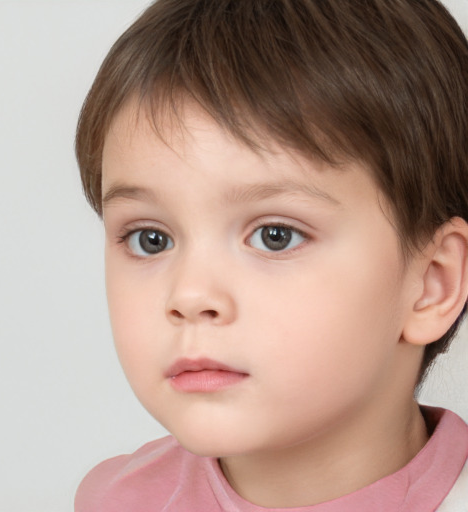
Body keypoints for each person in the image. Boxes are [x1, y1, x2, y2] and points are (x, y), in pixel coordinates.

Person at [73, 0, 468, 510]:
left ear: (432, 284)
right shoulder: (117, 499)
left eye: (275, 235)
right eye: (152, 238)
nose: (190, 295)